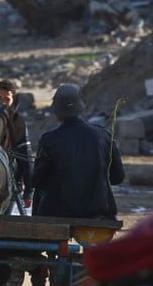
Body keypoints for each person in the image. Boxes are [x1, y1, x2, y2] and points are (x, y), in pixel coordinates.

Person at [27, 84, 124, 218]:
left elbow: (36, 180)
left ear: (57, 111)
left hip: (57, 214)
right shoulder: (104, 135)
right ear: (80, 108)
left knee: (40, 192)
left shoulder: (49, 140)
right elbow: (118, 177)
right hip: (100, 213)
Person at [0, 80, 31, 197]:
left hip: (11, 182)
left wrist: (28, 190)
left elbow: (25, 157)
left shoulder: (18, 123)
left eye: (7, 99)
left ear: (13, 101)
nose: (2, 103)